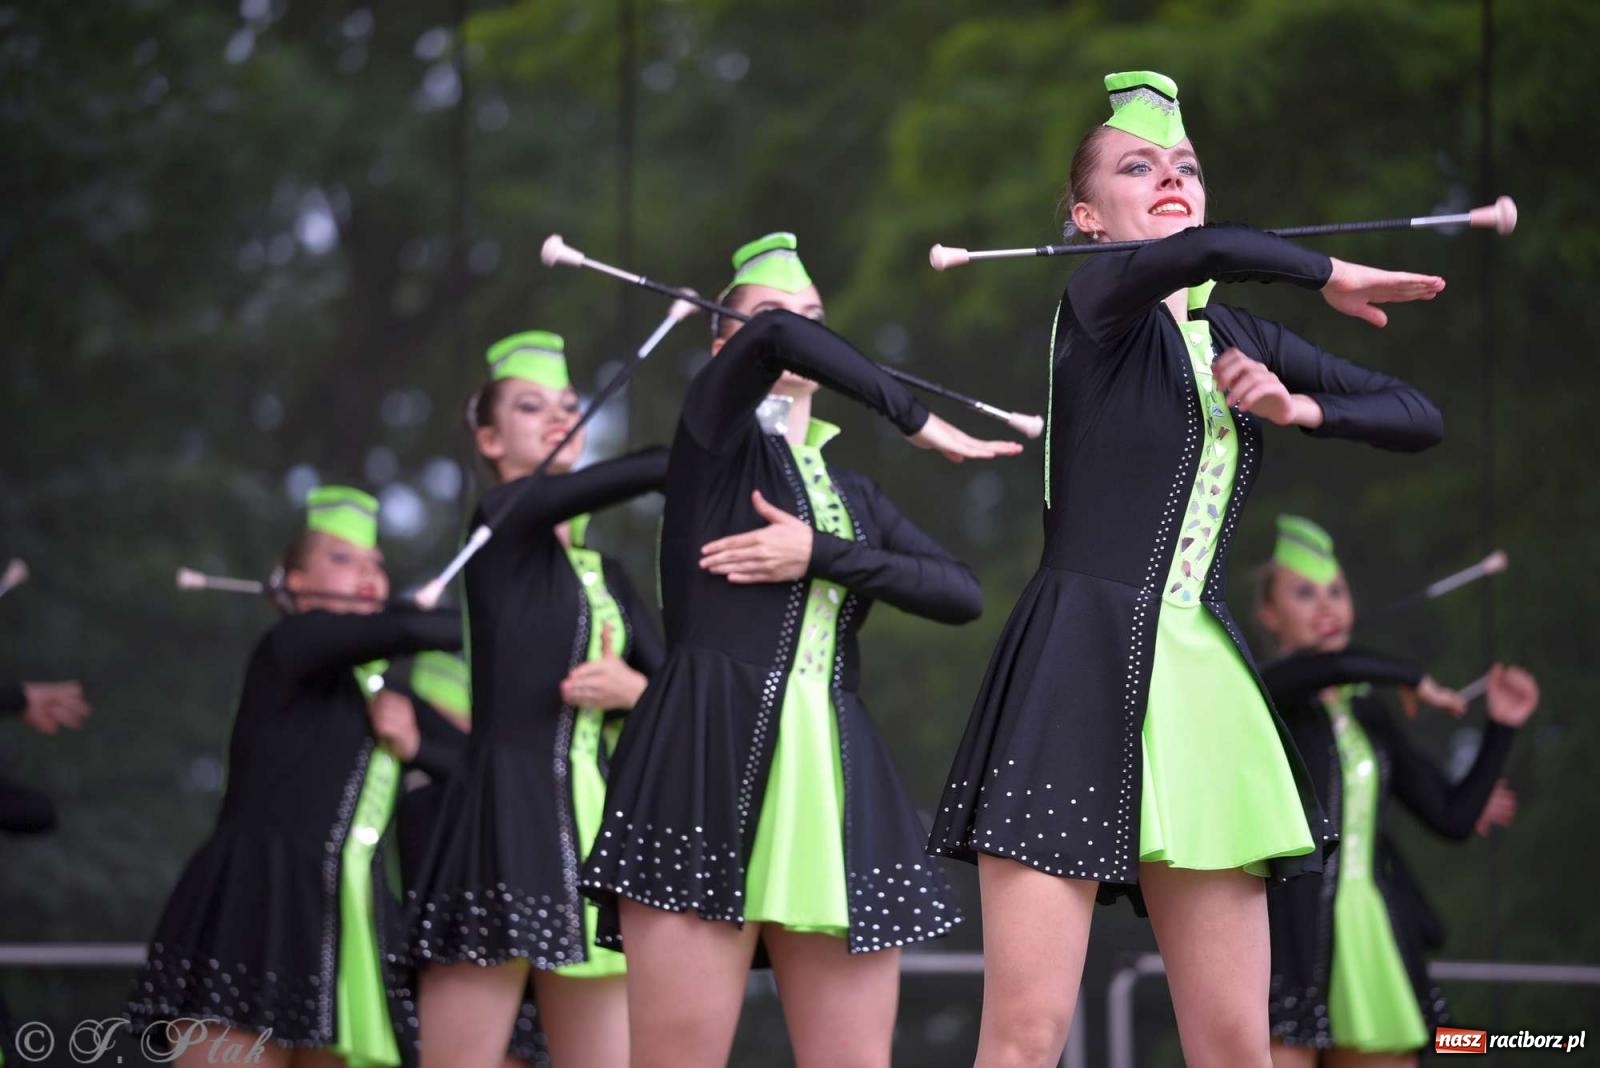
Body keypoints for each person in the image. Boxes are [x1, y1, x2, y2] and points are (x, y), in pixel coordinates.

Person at [928, 71, 1449, 1068]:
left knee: (1235, 1048)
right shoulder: (1099, 304)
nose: (1170, 178)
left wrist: (1301, 411)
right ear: (1086, 216)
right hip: (1074, 666)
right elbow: (1203, 250)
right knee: (1027, 1035)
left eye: (1186, 168)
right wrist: (1326, 271)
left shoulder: (1241, 335)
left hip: (1204, 683)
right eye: (1137, 167)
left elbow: (1414, 416)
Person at [581, 233, 1018, 1068]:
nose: (801, 332)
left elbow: (959, 592)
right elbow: (774, 341)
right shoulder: (710, 448)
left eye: (819, 318)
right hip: (703, 756)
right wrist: (916, 418)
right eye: (777, 316)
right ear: (722, 343)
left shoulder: (851, 492)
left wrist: (819, 554)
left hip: (830, 772)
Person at [129, 487, 462, 1067]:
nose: (366, 572)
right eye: (341, 558)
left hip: (346, 923)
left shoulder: (388, 693)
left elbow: (478, 766)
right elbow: (412, 631)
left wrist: (419, 746)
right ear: (290, 583)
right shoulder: (288, 647)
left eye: (377, 564)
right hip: (254, 904)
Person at [407, 332, 667, 1068]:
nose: (560, 419)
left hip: (595, 835)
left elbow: (681, 700)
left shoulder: (606, 574)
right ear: (489, 438)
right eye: (531, 407)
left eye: (571, 407)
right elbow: (654, 466)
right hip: (501, 821)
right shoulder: (497, 522)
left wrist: (634, 691)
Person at [1255, 516, 1539, 1067]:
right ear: (1271, 616)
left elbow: (1453, 818)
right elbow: (1332, 664)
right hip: (1284, 939)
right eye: (1305, 592)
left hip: (1373, 942)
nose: (1327, 605)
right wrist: (1411, 676)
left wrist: (1502, 727)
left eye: (1337, 590)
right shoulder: (1266, 693)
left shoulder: (1369, 711)